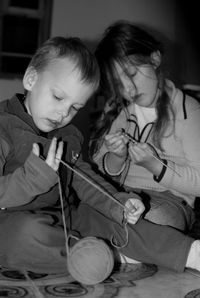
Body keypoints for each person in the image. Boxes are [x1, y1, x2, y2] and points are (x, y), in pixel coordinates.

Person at [0, 34, 199, 277]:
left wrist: (119, 202)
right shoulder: (4, 126)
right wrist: (31, 179)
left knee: (119, 220)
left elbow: (86, 180)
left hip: (68, 216)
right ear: (31, 79)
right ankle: (108, 254)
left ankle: (190, 253)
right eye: (59, 97)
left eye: (75, 107)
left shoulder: (67, 135)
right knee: (22, 236)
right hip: (15, 221)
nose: (63, 112)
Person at [90, 20, 200, 233]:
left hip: (168, 203)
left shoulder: (189, 111)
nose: (129, 89)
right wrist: (116, 157)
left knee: (152, 217)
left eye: (131, 74)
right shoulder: (117, 111)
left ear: (155, 59)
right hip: (120, 196)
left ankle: (125, 244)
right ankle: (130, 246)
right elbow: (98, 169)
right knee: (83, 206)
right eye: (118, 84)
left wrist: (156, 166)